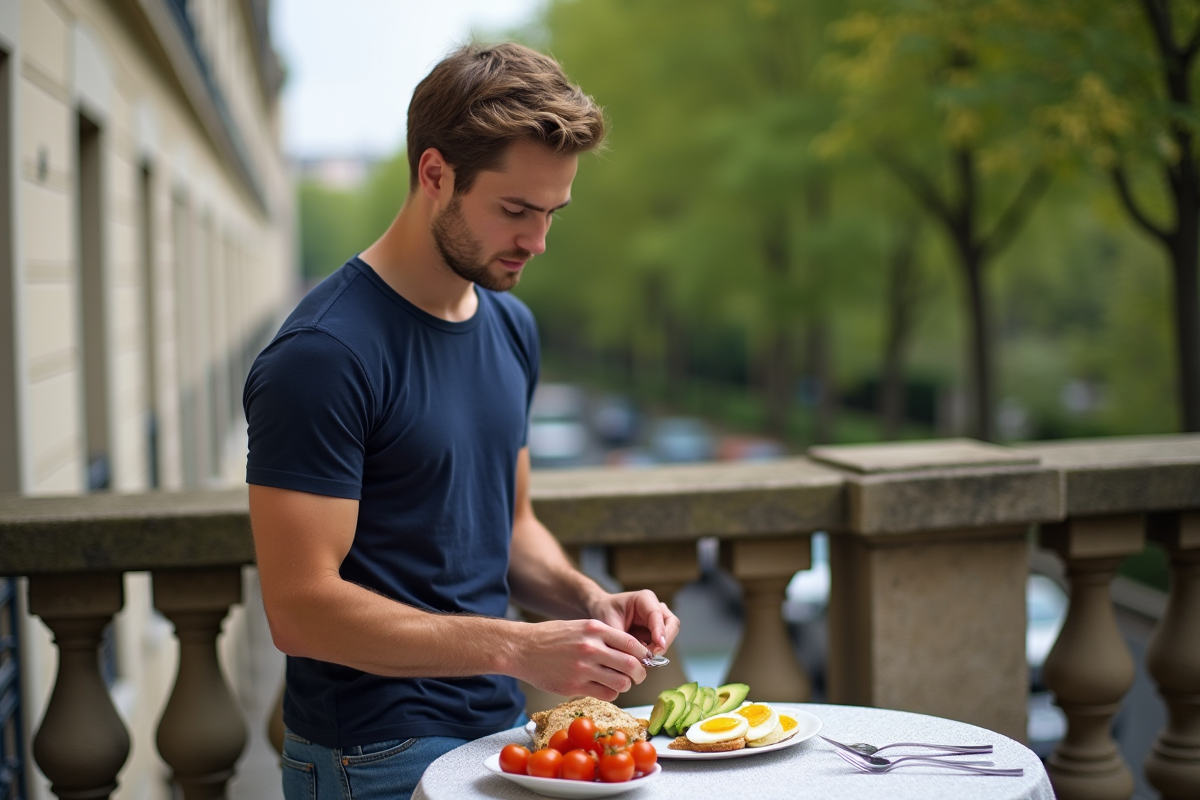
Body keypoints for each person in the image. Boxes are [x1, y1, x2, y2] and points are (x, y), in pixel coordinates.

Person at [243, 42, 681, 800]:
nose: (538, 242)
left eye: (551, 213)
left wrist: (588, 602)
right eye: (515, 210)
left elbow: (509, 529)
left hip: (497, 735)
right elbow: (300, 610)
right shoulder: (323, 355)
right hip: (369, 759)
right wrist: (519, 647)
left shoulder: (512, 326)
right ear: (435, 175)